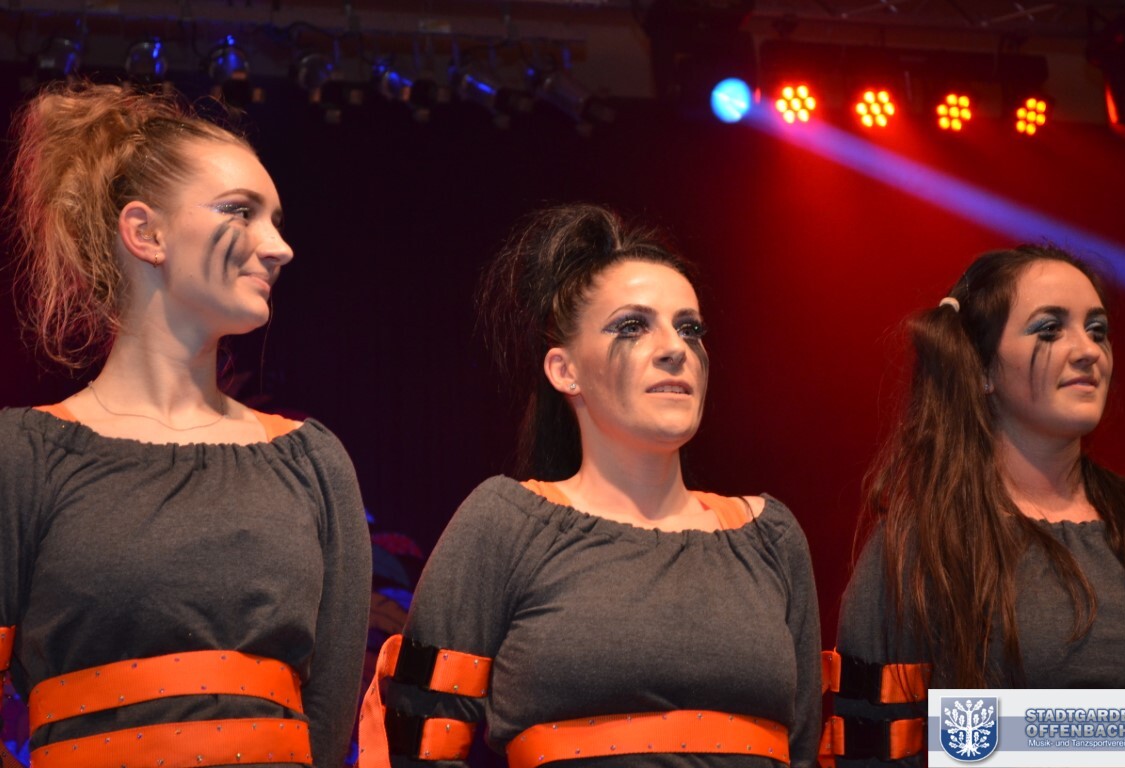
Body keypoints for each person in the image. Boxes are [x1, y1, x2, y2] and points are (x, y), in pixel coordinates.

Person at [359, 203, 821, 768]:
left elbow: (807, 749)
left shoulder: (770, 538)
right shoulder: (504, 524)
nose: (676, 347)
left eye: (690, 328)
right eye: (632, 326)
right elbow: (420, 745)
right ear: (564, 370)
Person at [0, 81, 371, 767]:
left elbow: (327, 722)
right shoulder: (24, 456)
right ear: (146, 233)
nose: (279, 247)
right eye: (241, 212)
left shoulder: (311, 462)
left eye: (277, 220)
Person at [828, 245, 1125, 765]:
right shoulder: (920, 548)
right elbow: (872, 748)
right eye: (1049, 329)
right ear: (981, 368)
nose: (1088, 350)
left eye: (1097, 330)